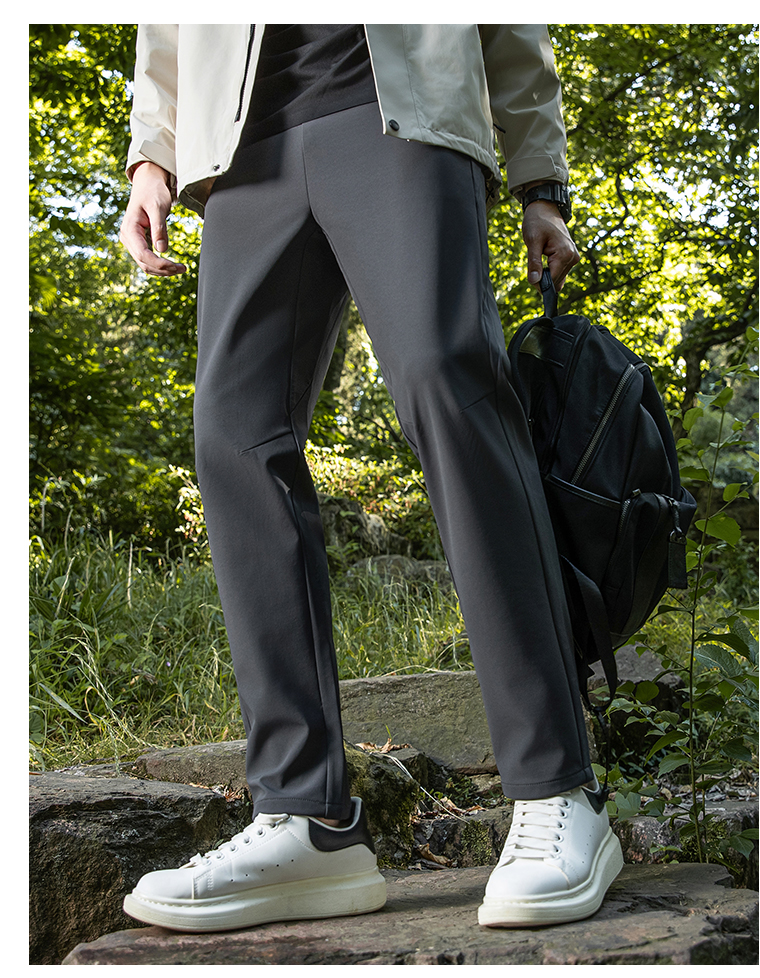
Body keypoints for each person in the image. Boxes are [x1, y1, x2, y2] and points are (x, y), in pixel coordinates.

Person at [119, 24, 624, 933]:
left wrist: (540, 178)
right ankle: (306, 818)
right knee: (232, 438)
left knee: (448, 390)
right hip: (241, 145)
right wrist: (151, 154)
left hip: (401, 111)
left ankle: (558, 788)